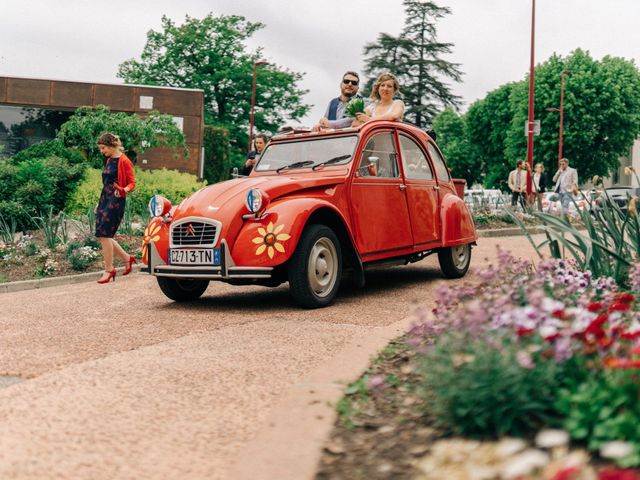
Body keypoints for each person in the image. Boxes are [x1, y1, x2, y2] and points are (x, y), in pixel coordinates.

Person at [94, 133, 137, 284]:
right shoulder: (108, 159)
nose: (102, 151)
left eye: (103, 148)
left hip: (116, 201)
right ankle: (127, 258)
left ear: (112, 146)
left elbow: (132, 183)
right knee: (101, 234)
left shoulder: (124, 161)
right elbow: (106, 183)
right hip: (105, 199)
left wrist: (124, 189)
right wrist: (99, 203)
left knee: (104, 234)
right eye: (100, 148)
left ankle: (109, 270)